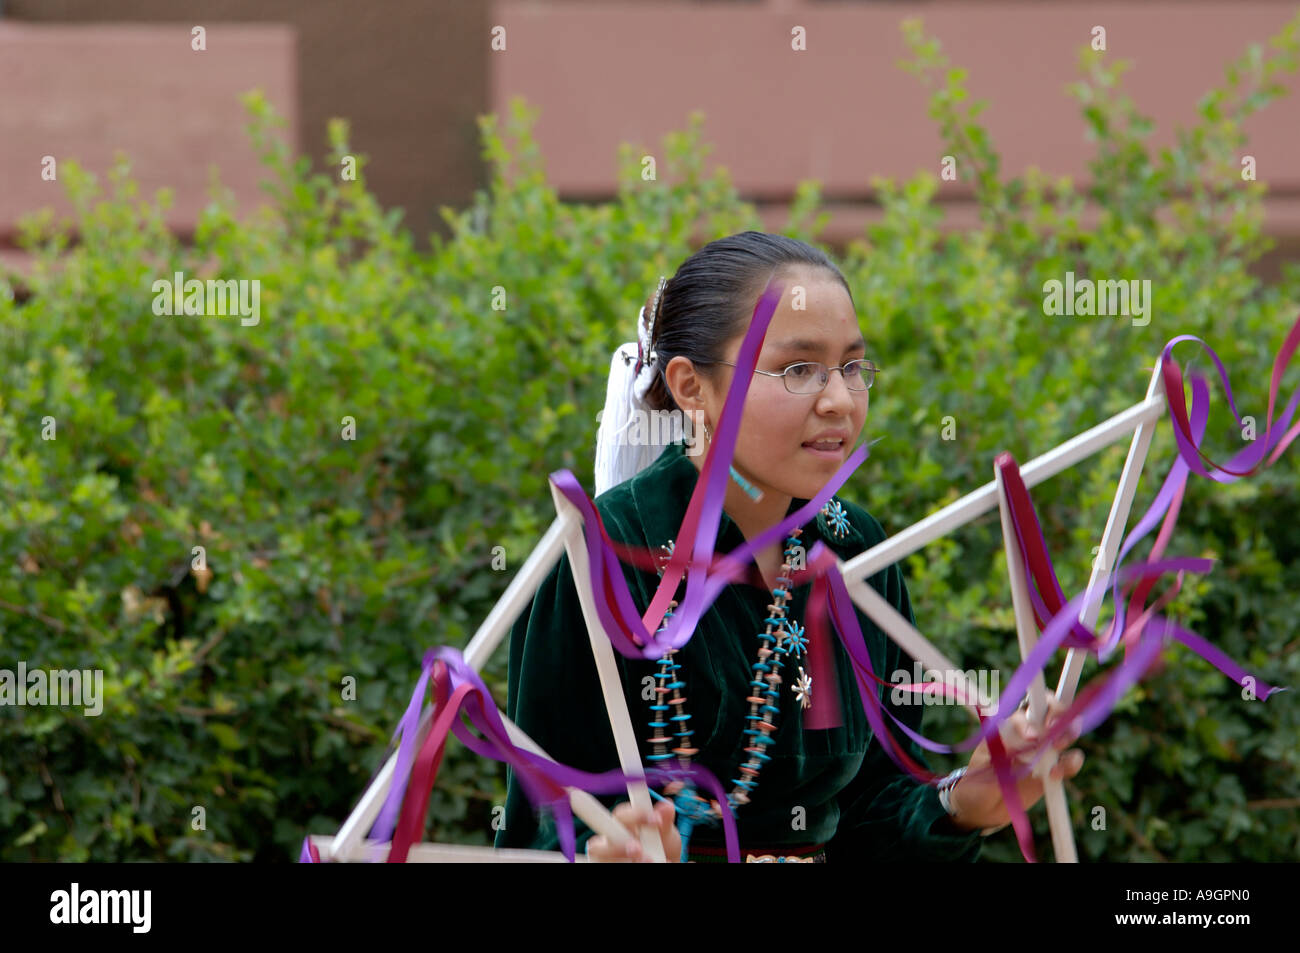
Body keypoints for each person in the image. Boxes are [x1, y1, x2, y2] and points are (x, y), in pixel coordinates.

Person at [493, 231, 1084, 862]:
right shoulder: (599, 557)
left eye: (853, 368)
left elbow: (870, 812)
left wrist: (961, 804)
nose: (839, 401)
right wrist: (602, 851)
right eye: (798, 369)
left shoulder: (855, 551)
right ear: (692, 387)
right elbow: (542, 822)